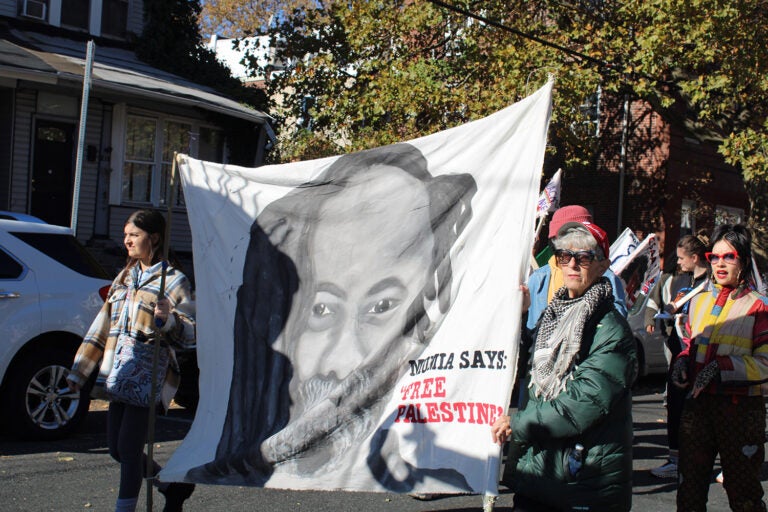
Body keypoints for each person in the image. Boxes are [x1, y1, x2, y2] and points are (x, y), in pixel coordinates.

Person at [194, 143, 477, 487]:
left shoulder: (457, 475)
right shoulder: (235, 455)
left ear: (432, 301)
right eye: (322, 309)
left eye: (381, 307)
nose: (341, 360)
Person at [492, 220, 636, 512]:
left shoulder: (612, 330)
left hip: (583, 481)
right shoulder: (551, 315)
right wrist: (518, 319)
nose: (572, 264)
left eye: (583, 257)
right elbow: (527, 366)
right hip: (539, 471)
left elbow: (581, 405)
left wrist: (517, 424)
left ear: (603, 264)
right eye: (563, 256)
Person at [67, 209, 196, 512]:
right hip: (118, 372)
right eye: (125, 235)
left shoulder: (174, 281)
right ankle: (169, 486)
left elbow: (191, 334)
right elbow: (102, 326)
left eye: (133, 235)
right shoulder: (125, 277)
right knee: (115, 449)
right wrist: (78, 372)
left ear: (153, 237)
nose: (126, 240)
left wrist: (169, 321)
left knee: (128, 448)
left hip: (148, 375)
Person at [671, 224, 768, 511]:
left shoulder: (759, 306)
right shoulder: (698, 301)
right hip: (697, 409)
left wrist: (721, 367)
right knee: (689, 491)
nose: (720, 264)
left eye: (730, 257)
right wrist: (682, 362)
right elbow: (691, 345)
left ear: (744, 260)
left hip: (740, 412)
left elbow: (765, 364)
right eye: (715, 256)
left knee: (744, 495)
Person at [645, 233, 709, 479]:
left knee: (696, 411)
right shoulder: (683, 282)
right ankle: (676, 459)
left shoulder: (709, 285)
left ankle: (699, 461)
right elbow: (655, 301)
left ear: (695, 258)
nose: (678, 262)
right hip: (680, 352)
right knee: (675, 405)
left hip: (699, 356)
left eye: (682, 258)